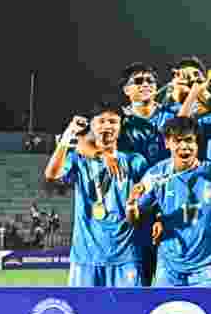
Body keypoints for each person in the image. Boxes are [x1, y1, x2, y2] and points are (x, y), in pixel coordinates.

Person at [44, 100, 149, 287]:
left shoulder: (136, 161)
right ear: (92, 125)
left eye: (113, 121)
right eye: (101, 121)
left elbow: (146, 204)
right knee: (84, 313)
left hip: (126, 254)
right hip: (86, 255)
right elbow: (51, 174)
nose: (107, 126)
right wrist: (70, 133)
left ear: (120, 125)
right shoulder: (78, 159)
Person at [127, 117, 211, 287]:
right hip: (168, 266)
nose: (184, 146)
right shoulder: (156, 175)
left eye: (189, 140)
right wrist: (131, 203)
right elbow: (134, 220)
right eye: (177, 141)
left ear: (197, 144)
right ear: (167, 143)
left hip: (207, 266)